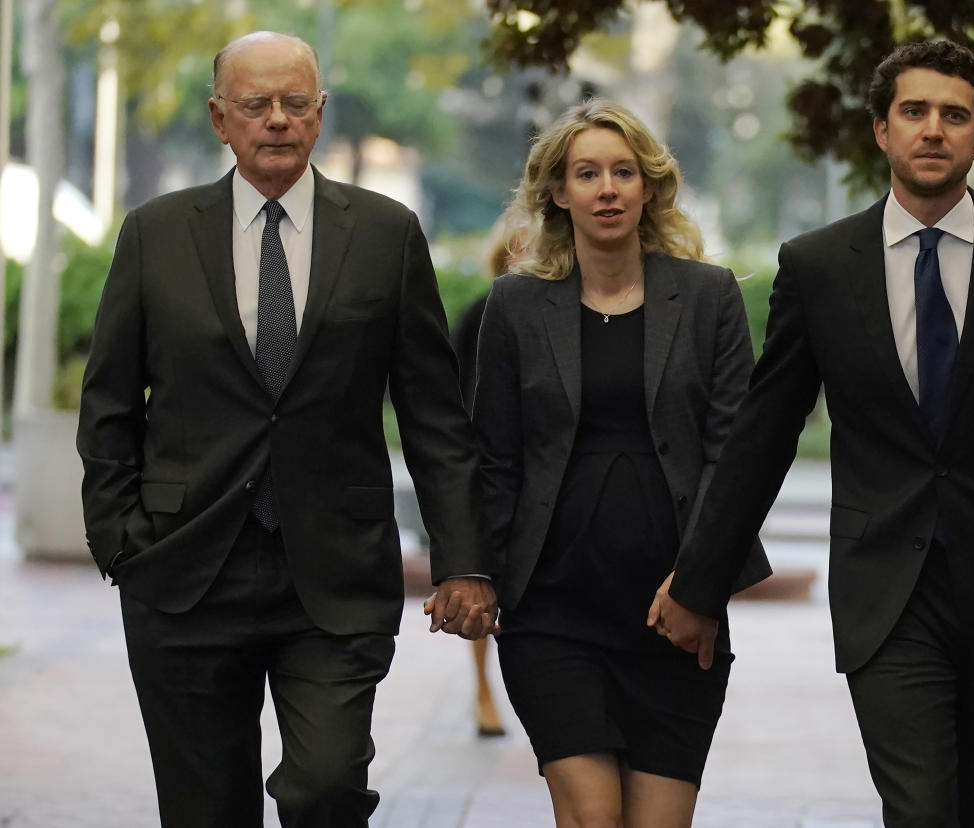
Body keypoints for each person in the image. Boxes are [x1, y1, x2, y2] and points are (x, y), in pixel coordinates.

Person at [651, 40, 974, 826]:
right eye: (914, 111)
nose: (933, 130)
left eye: (955, 116)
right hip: (886, 592)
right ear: (881, 130)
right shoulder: (818, 266)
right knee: (919, 810)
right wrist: (700, 580)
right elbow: (764, 432)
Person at [76, 30, 496, 827]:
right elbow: (108, 408)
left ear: (320, 114)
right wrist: (120, 541)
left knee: (325, 789)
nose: (276, 119)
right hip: (184, 570)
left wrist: (464, 560)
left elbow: (435, 415)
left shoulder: (384, 233)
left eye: (295, 103)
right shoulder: (155, 233)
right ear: (218, 118)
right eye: (256, 104)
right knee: (204, 810)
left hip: (335, 574)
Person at [471, 99, 770, 826]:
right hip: (552, 612)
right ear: (557, 192)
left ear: (648, 186)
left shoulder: (709, 298)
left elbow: (736, 457)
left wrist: (698, 589)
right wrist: (476, 571)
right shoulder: (514, 306)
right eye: (587, 173)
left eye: (623, 172)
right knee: (593, 819)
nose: (607, 188)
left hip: (677, 617)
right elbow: (492, 458)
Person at [451, 226, 527, 738]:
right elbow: (454, 391)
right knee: (484, 584)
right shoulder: (479, 312)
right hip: (487, 464)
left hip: (537, 466)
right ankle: (482, 688)